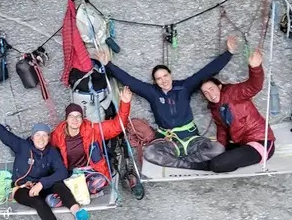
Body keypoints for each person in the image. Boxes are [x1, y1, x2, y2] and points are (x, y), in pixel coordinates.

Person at [99, 35, 238, 169]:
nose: (163, 80)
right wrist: (108, 65)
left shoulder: (184, 87)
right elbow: (130, 81)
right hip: (169, 141)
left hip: (191, 139)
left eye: (165, 75)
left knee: (218, 148)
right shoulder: (152, 92)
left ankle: (183, 164)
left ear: (170, 75)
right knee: (149, 152)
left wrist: (229, 53)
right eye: (159, 78)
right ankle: (192, 165)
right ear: (155, 81)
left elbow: (206, 72)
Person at [0, 100, 89, 220]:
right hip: (22, 188)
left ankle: (78, 213)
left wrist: (42, 184)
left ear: (48, 138)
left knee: (59, 185)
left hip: (41, 185)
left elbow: (62, 172)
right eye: (38, 135)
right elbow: (3, 134)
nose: (41, 139)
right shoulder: (22, 146)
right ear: (32, 137)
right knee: (38, 202)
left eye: (44, 136)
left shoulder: (51, 152)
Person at [199, 47, 277, 173]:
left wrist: (255, 68)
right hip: (242, 143)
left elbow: (254, 86)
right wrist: (220, 146)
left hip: (261, 142)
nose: (210, 94)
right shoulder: (215, 108)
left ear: (219, 86)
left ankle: (204, 165)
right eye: (206, 93)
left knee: (216, 165)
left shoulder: (234, 92)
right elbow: (222, 130)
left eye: (211, 89)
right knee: (208, 151)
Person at [50, 86, 134, 193]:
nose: (75, 120)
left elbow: (117, 126)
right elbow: (43, 143)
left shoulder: (93, 129)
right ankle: (77, 192)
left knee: (98, 182)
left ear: (82, 118)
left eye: (78, 116)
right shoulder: (58, 134)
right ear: (66, 119)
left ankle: (78, 192)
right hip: (69, 174)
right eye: (71, 116)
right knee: (55, 196)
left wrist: (125, 104)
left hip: (90, 172)